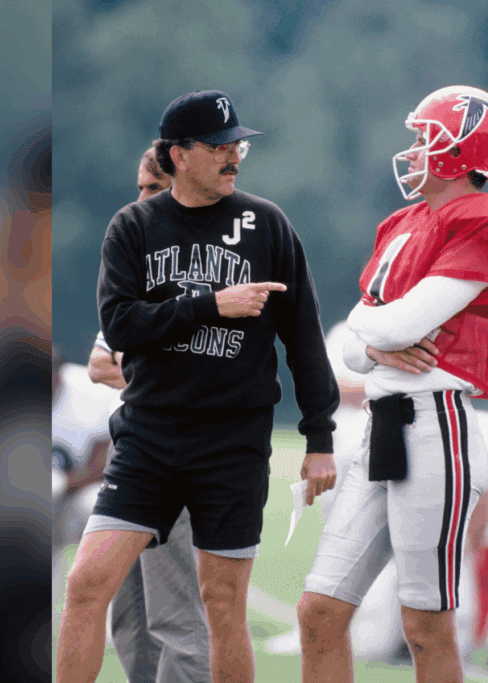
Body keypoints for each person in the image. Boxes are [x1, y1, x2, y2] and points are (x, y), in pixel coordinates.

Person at [55, 89, 340, 683]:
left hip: (232, 443)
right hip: (148, 437)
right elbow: (122, 325)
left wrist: (319, 439)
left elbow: (305, 342)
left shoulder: (267, 225)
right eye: (218, 146)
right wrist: (211, 304)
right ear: (179, 154)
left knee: (222, 608)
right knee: (85, 587)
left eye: (237, 143)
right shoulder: (134, 225)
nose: (233, 154)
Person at [296, 85, 488, 683]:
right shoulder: (403, 222)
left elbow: (398, 322)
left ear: (459, 151)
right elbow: (356, 342)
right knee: (319, 609)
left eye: (425, 138)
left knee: (425, 624)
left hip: (437, 426)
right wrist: (374, 344)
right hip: (381, 424)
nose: (415, 150)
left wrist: (375, 335)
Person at [80, 146, 211, 683]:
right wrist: (161, 371)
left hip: (189, 454)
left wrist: (151, 366)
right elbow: (98, 363)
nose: (140, 201)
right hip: (136, 454)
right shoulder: (137, 262)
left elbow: (217, 375)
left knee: (178, 616)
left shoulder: (213, 264)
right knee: (127, 613)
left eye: (153, 189)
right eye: (139, 187)